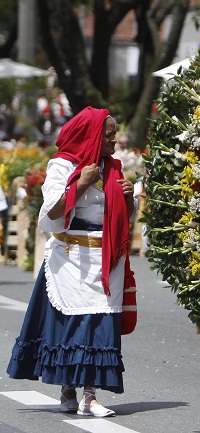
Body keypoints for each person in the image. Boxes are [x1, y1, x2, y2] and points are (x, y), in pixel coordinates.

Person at [6, 107, 137, 417]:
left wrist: (128, 201)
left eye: (114, 134)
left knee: (99, 326)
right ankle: (67, 389)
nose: (114, 139)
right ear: (92, 135)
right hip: (70, 259)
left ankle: (90, 396)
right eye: (108, 135)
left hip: (105, 259)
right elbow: (51, 212)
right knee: (70, 326)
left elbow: (121, 220)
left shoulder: (112, 167)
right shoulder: (62, 166)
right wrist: (80, 183)